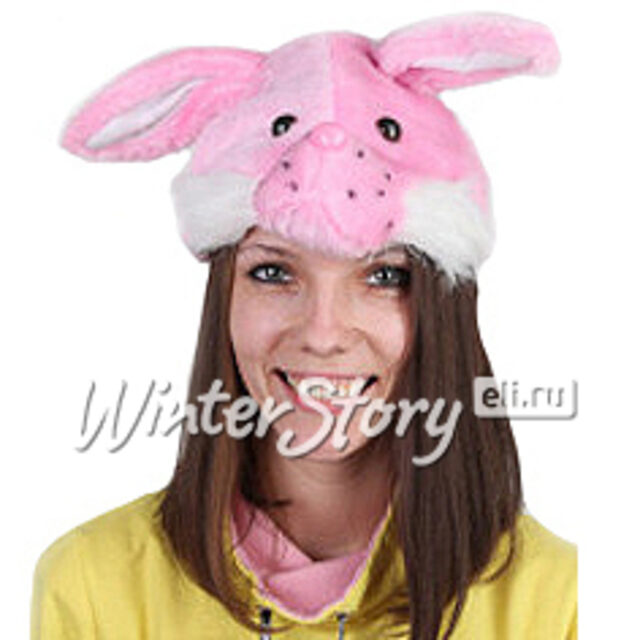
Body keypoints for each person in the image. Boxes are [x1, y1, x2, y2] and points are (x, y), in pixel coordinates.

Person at [31, 12, 577, 640]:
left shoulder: (561, 603)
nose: (322, 333)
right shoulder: (94, 588)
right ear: (224, 297)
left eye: (383, 276)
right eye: (273, 273)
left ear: (442, 303)